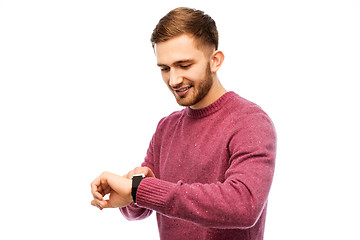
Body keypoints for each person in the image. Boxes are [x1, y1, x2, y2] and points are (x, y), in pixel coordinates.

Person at [91, 7, 276, 240]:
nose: (174, 80)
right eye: (165, 68)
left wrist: (140, 190)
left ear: (215, 61)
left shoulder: (250, 121)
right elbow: (146, 201)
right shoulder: (166, 128)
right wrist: (131, 195)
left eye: (185, 65)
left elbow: (244, 205)